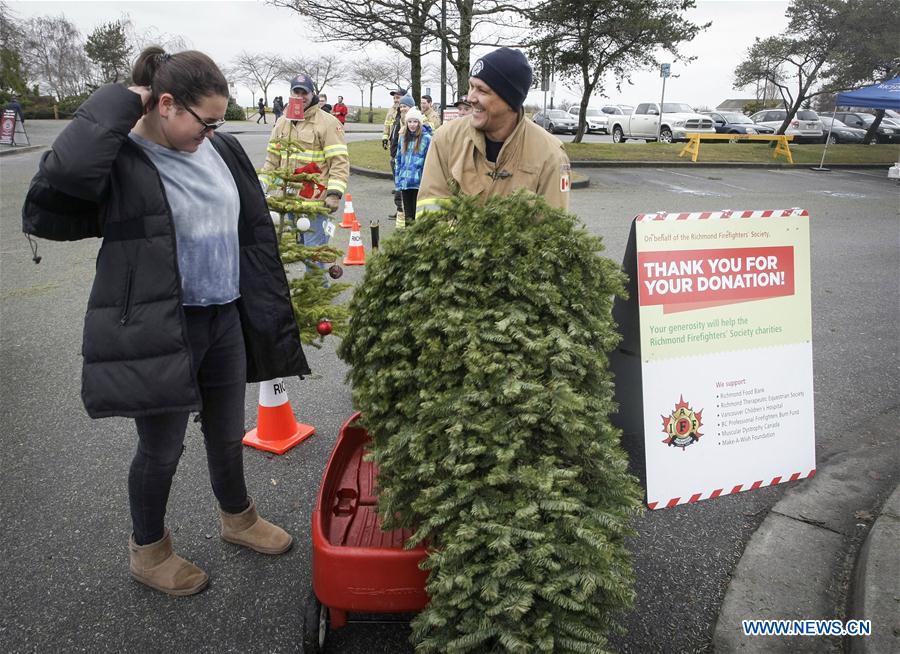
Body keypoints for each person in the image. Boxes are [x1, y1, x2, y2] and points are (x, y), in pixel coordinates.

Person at [21, 46, 310, 597]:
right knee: (162, 448)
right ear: (167, 103)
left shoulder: (221, 148)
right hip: (161, 324)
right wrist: (121, 100)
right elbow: (54, 191)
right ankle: (148, 551)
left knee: (228, 433)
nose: (213, 130)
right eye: (204, 120)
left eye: (219, 120)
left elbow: (249, 230)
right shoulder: (122, 159)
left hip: (223, 315)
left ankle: (238, 518)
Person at [417, 48, 570, 219]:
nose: (470, 98)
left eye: (482, 90)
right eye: (471, 86)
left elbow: (552, 234)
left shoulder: (550, 155)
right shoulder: (446, 138)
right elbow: (429, 212)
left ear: (509, 100)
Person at [260, 73, 349, 257]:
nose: (300, 97)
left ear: (312, 94)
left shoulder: (328, 123)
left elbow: (339, 162)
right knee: (283, 256)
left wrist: (334, 194)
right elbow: (271, 161)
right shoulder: (281, 123)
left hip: (313, 203)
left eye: (304, 92)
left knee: (314, 258)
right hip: (285, 201)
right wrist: (260, 188)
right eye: (296, 92)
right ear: (290, 93)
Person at [394, 108, 432, 228]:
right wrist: (398, 179)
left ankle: (418, 239)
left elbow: (429, 162)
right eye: (409, 122)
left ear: (420, 123)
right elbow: (398, 160)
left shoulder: (426, 139)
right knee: (408, 215)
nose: (412, 125)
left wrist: (426, 182)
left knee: (418, 214)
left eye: (415, 122)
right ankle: (409, 240)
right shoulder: (403, 138)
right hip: (405, 182)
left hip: (418, 183)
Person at [388, 95, 414, 219]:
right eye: (401, 106)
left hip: (408, 163)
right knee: (398, 188)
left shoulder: (413, 121)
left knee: (403, 192)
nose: (402, 108)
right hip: (397, 158)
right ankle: (400, 212)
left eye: (405, 106)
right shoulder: (399, 118)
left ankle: (402, 213)